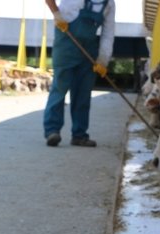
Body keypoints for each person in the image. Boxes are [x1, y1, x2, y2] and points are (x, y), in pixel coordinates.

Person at [43, 0, 115, 147]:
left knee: (83, 92)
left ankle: (79, 135)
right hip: (66, 41)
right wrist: (56, 14)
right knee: (60, 88)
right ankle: (52, 131)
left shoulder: (109, 4)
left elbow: (108, 32)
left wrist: (102, 60)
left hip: (89, 50)